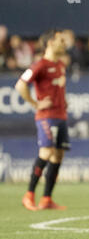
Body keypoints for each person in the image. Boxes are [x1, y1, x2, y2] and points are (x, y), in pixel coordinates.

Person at [15, 29, 69, 211]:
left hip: (61, 116)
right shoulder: (40, 65)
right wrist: (34, 103)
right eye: (60, 40)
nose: (64, 43)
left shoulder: (61, 65)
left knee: (58, 156)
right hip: (47, 117)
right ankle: (28, 195)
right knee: (46, 152)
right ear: (50, 43)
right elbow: (21, 84)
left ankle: (46, 198)